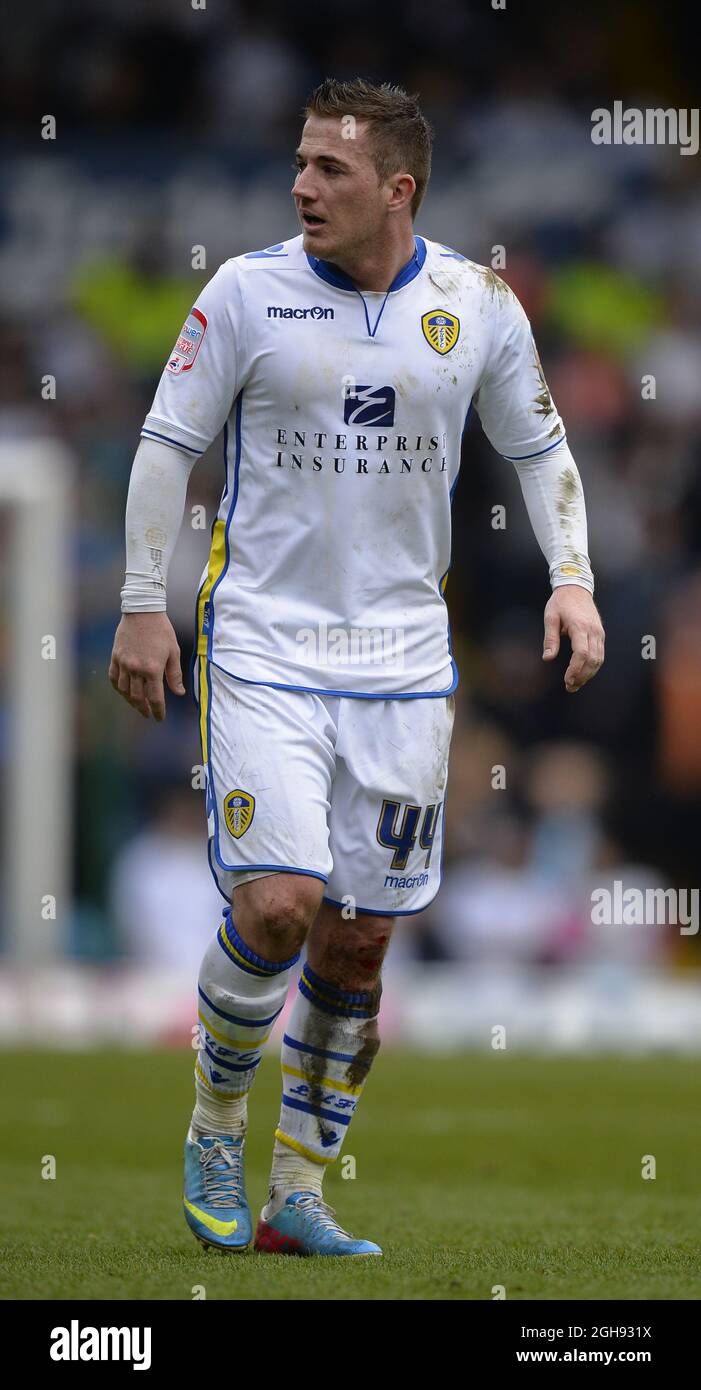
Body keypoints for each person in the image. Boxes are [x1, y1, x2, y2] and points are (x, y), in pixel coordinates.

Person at [109, 77, 605, 1257]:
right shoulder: (244, 292)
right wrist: (142, 603)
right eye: (297, 163)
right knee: (278, 903)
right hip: (265, 647)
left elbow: (539, 446)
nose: (300, 186)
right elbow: (164, 443)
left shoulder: (474, 304)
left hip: (401, 664)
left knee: (357, 939)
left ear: (399, 188)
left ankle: (298, 1187)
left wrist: (571, 578)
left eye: (329, 170)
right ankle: (218, 1124)